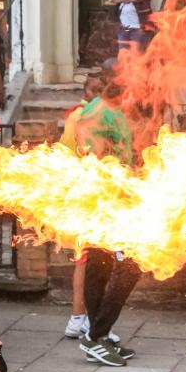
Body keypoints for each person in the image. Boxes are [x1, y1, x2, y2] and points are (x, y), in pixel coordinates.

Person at [73, 58, 140, 366]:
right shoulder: (95, 114)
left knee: (102, 267)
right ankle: (96, 336)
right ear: (110, 80)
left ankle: (100, 334)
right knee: (130, 264)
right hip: (100, 202)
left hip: (119, 201)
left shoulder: (117, 111)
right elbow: (93, 162)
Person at [60, 76, 105, 341]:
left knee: (85, 260)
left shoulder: (79, 115)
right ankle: (81, 318)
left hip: (84, 193)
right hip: (89, 194)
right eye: (95, 91)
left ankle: (79, 318)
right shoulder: (84, 116)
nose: (100, 96)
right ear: (87, 92)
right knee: (89, 261)